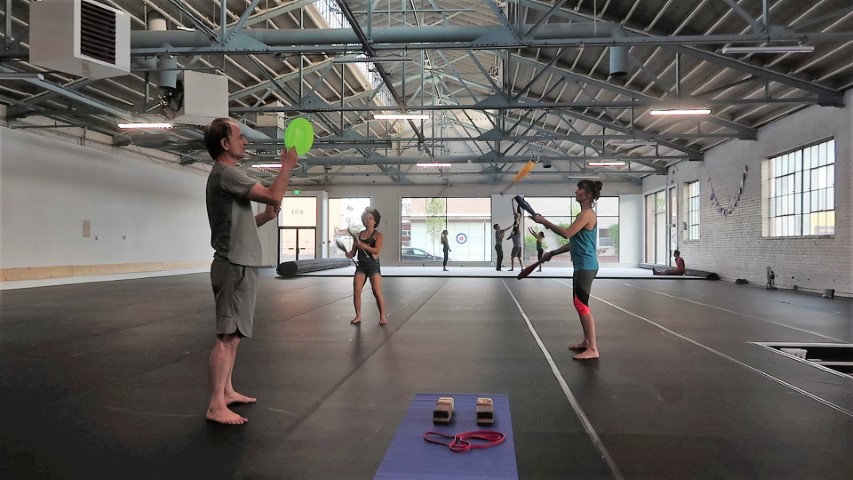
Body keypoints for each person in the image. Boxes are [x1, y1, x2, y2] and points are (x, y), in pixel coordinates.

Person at [204, 117, 299, 425]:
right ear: (225, 144)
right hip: (233, 265)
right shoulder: (226, 173)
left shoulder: (227, 177)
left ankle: (227, 391)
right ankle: (216, 405)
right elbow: (273, 194)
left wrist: (266, 218)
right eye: (240, 137)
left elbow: (241, 224)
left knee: (234, 337)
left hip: (240, 264)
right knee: (225, 337)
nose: (245, 141)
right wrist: (287, 166)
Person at [532, 180, 603, 360]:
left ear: (588, 195)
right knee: (579, 303)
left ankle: (593, 349)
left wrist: (544, 221)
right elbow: (574, 242)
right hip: (581, 265)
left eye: (580, 189)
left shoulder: (587, 214)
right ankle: (586, 342)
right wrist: (553, 253)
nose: (576, 191)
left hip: (586, 265)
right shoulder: (582, 215)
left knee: (581, 304)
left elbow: (567, 233)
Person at [347, 208, 388, 326]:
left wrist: (364, 246)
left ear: (375, 221)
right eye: (366, 219)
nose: (368, 220)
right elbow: (353, 252)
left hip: (373, 266)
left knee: (377, 292)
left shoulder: (378, 235)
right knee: (356, 291)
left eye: (370, 218)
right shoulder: (358, 235)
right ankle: (358, 316)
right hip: (361, 266)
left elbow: (377, 250)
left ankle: (382, 316)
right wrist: (349, 254)